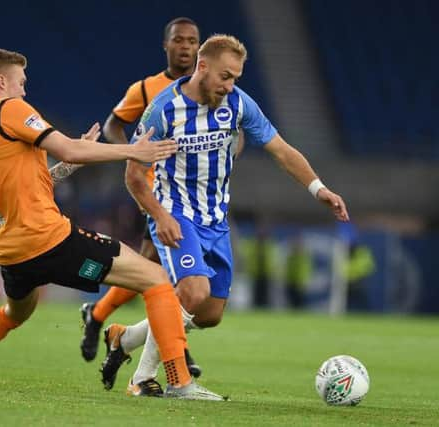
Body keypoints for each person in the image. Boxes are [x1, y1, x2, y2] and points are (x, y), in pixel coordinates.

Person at [0, 45, 224, 400]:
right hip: (48, 239)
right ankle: (179, 382)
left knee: (14, 313)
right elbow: (68, 147)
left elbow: (23, 186)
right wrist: (133, 151)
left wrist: (67, 169)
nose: (24, 90)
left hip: (10, 249)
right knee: (157, 281)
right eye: (20, 82)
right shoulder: (9, 108)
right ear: (1, 81)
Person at [100, 34, 350, 395]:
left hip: (215, 220)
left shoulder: (237, 103)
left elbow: (280, 150)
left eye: (235, 78)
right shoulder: (163, 109)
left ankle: (123, 339)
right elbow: (134, 175)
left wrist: (319, 188)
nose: (230, 85)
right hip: (175, 213)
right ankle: (154, 381)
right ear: (203, 66)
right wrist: (160, 216)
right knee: (193, 291)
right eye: (225, 76)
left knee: (209, 314)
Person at [78, 17, 204, 393]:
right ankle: (168, 355)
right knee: (177, 280)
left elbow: (232, 133)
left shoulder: (209, 88)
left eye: (192, 41)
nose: (185, 47)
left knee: (152, 267)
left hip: (192, 196)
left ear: (200, 47)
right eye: (178, 40)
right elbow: (113, 124)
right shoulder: (147, 89)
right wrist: (136, 155)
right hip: (157, 195)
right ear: (166, 46)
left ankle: (105, 321)